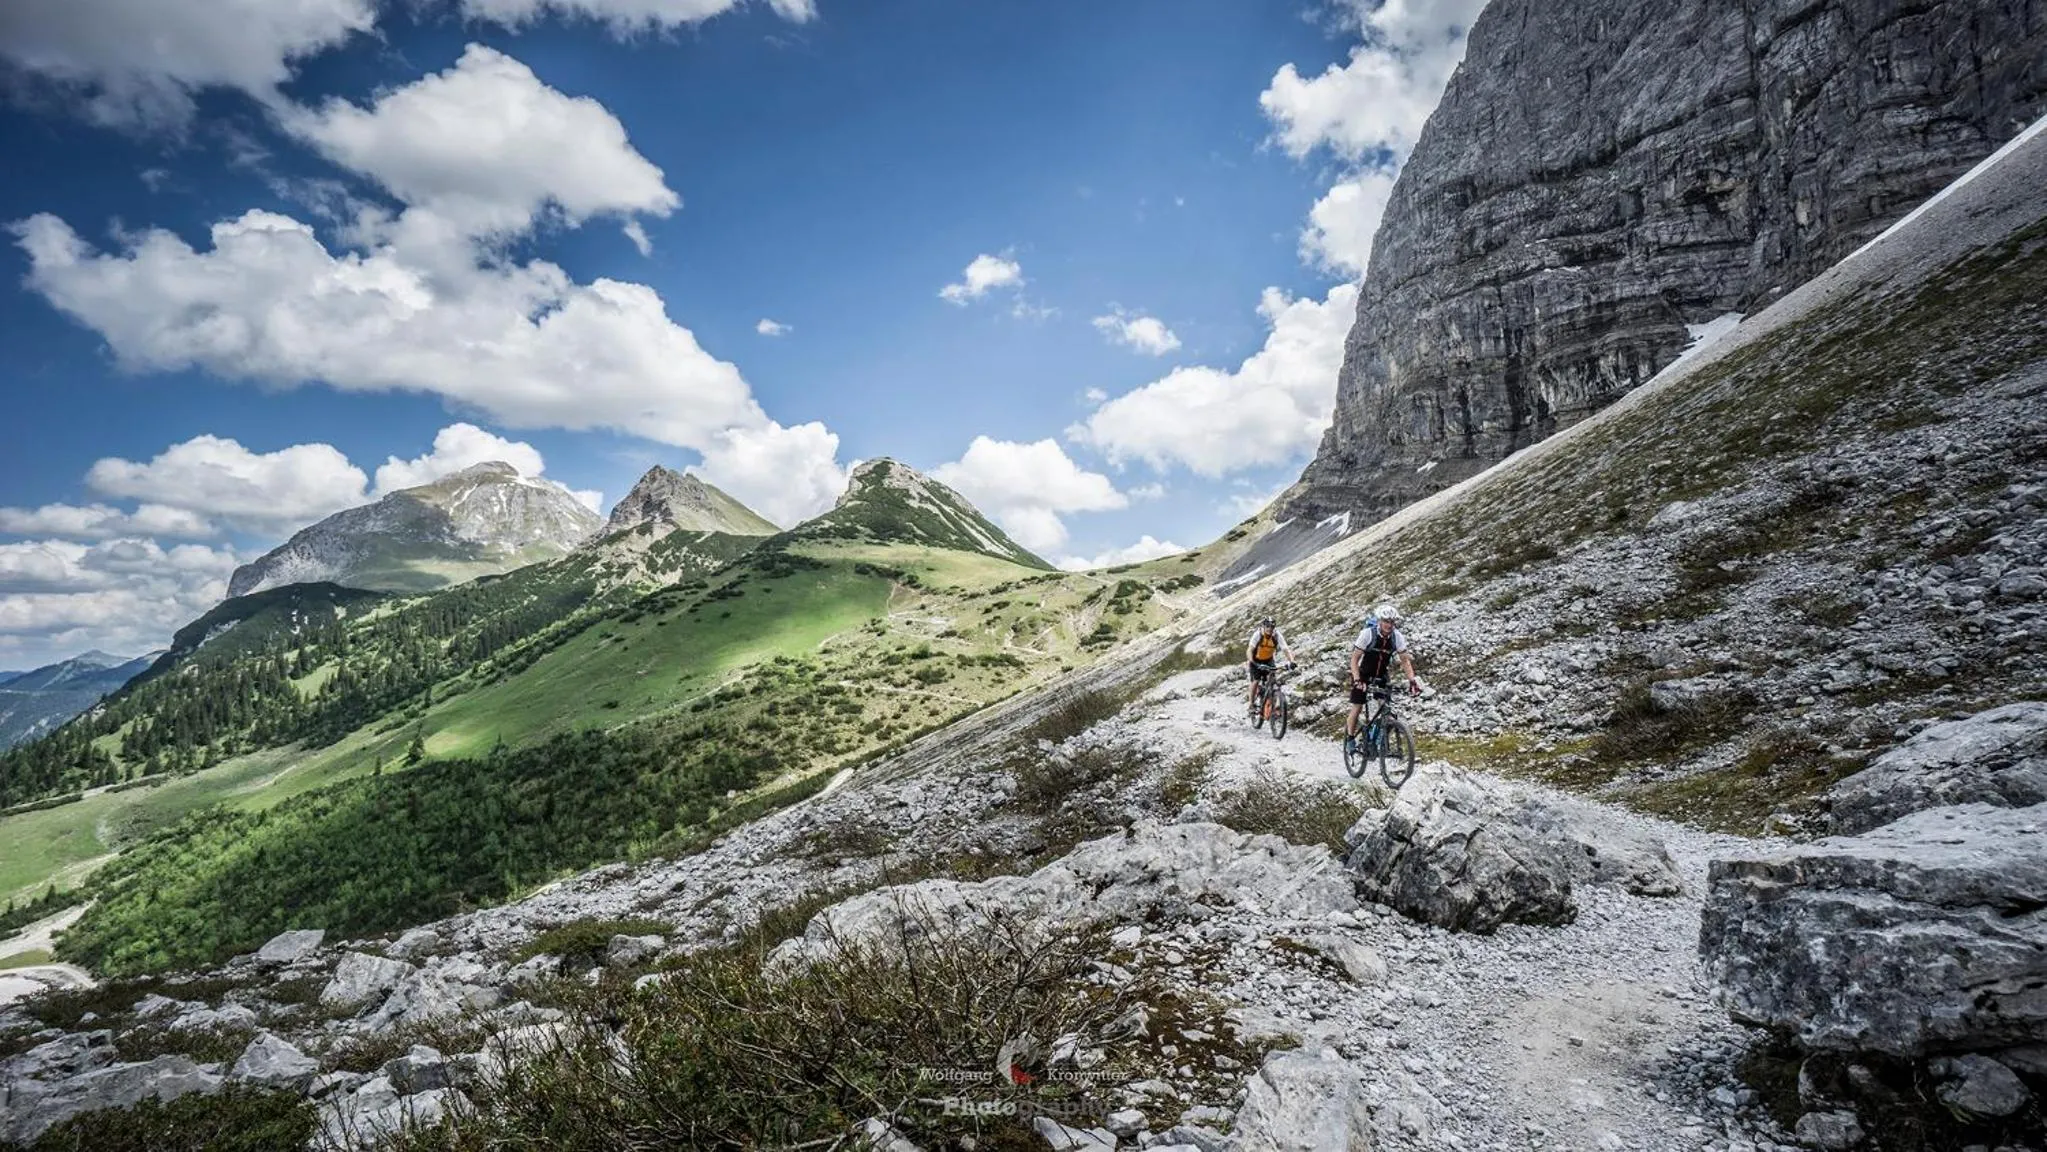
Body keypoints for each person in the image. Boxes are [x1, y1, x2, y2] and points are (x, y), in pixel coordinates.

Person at [1346, 603, 1419, 755]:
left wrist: (1412, 681)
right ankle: (1350, 739)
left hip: (1381, 676)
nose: (1389, 625)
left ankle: (1379, 740)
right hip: (1363, 674)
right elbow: (1354, 659)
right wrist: (1357, 680)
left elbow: (1405, 661)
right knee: (1358, 706)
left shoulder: (1397, 637)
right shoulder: (1368, 634)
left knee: (1386, 708)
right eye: (1386, 621)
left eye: (1392, 622)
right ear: (1379, 621)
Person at [1245, 616, 1296, 715]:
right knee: (1255, 681)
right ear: (1263, 626)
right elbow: (1249, 649)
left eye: (1272, 627)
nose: (1270, 629)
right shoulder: (1258, 634)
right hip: (1255, 660)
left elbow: (1285, 649)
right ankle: (1251, 704)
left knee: (1273, 679)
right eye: (1267, 626)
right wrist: (1252, 661)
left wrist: (1292, 661)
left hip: (1268, 660)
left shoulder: (1277, 635)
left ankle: (1275, 704)